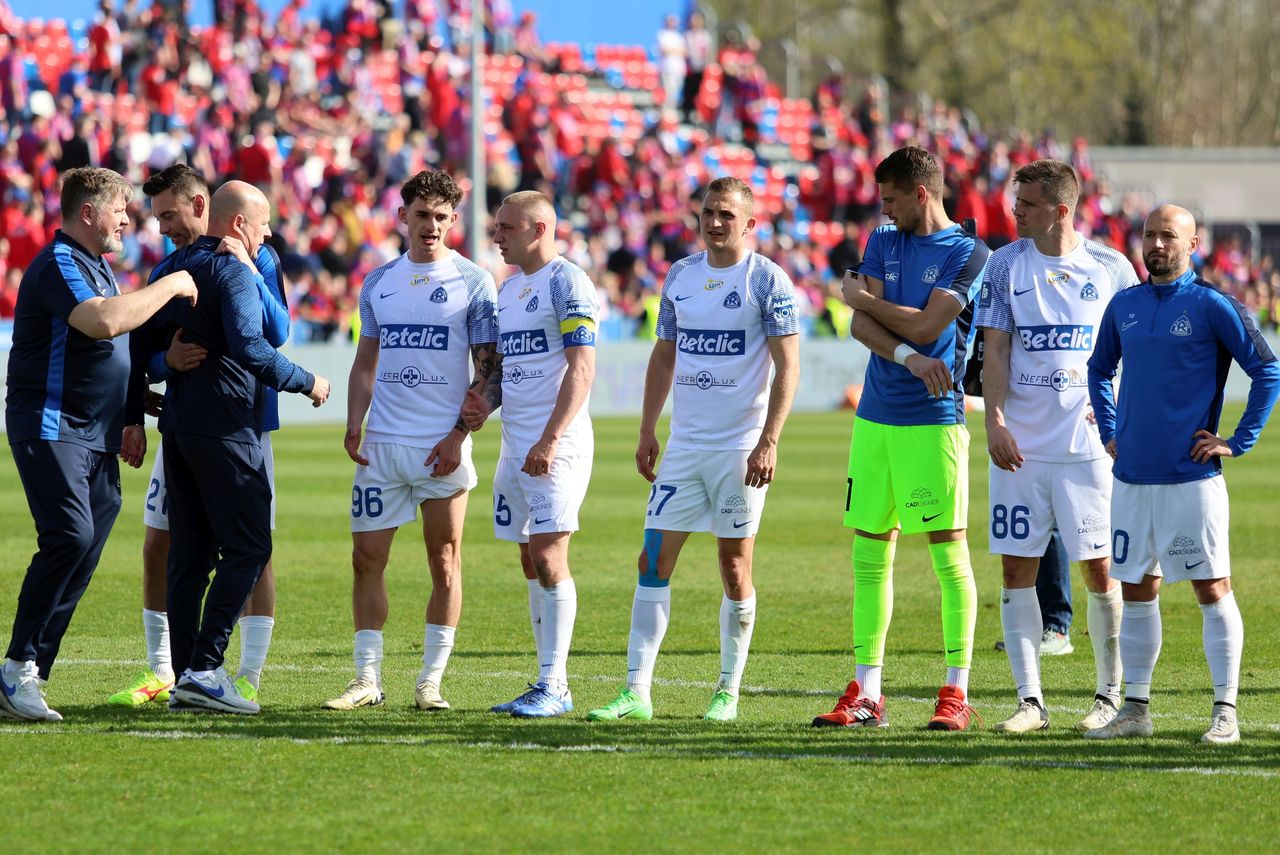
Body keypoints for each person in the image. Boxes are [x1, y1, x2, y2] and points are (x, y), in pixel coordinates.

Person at [586, 177, 800, 723]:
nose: (715, 222)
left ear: (750, 224)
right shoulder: (681, 276)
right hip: (684, 445)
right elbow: (664, 356)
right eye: (708, 212)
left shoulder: (767, 281)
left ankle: (727, 691)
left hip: (739, 447)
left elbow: (787, 365)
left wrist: (768, 440)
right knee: (653, 559)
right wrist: (646, 429)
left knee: (734, 567)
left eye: (727, 214)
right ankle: (636, 692)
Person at [0, 167, 196, 722]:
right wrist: (173, 285)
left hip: (96, 432)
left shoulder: (98, 268)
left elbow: (113, 351)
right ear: (88, 214)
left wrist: (133, 412)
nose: (128, 222)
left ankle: (30, 672)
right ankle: (16, 669)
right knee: (70, 534)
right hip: (51, 423)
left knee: (84, 547)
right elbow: (103, 323)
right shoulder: (60, 261)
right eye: (121, 211)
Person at [130, 181, 330, 715]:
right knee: (249, 548)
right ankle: (203, 669)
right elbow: (253, 345)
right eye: (262, 223)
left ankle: (186, 676)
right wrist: (307, 381)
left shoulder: (175, 269)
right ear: (239, 223)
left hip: (179, 428)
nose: (269, 233)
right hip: (227, 428)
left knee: (190, 553)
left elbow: (136, 343)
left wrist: (148, 383)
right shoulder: (235, 267)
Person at [1085, 205, 1279, 744]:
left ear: (1193, 244)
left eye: (1169, 236)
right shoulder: (1123, 305)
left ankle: (1225, 712)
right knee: (1136, 587)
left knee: (1211, 588)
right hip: (1130, 480)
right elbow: (1099, 369)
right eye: (1150, 235)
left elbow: (1268, 369)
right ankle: (1136, 710)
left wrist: (1236, 441)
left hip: (1191, 481)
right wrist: (1108, 432)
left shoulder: (1214, 304)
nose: (1156, 244)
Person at [812, 145, 990, 731]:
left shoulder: (969, 252)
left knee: (947, 554)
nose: (883, 211)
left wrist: (863, 298)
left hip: (933, 420)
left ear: (922, 193)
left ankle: (956, 692)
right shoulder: (884, 241)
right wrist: (910, 356)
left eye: (890, 199)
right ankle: (867, 690)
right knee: (869, 553)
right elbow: (866, 328)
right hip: (876, 420)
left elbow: (927, 321)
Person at [108, 163, 287, 708]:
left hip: (246, 425)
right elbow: (144, 351)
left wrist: (251, 269)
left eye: (170, 214)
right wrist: (167, 362)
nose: (162, 227)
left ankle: (244, 672)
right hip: (194, 427)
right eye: (157, 216)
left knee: (249, 547)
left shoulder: (262, 256)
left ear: (203, 206)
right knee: (168, 544)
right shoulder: (169, 268)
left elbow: (277, 333)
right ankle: (175, 672)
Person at [323, 170, 498, 712]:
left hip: (440, 448)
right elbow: (365, 361)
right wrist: (355, 420)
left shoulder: (473, 281)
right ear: (403, 217)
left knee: (444, 561)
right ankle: (366, 679)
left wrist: (458, 435)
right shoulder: (378, 282)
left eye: (442, 217)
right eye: (422, 215)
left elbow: (488, 372)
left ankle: (430, 680)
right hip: (382, 445)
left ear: (453, 221)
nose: (431, 226)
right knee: (364, 559)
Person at [975, 159, 1139, 733]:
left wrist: (1123, 411)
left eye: (1026, 204)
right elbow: (995, 348)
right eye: (1015, 202)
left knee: (1100, 570)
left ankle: (1109, 696)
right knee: (1016, 571)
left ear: (1061, 210)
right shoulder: (1003, 265)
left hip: (1090, 447)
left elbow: (1135, 348)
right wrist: (994, 419)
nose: (1014, 211)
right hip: (1021, 445)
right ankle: (1030, 702)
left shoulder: (1112, 268)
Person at [461, 190, 598, 719]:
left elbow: (582, 368)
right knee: (527, 557)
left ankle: (556, 686)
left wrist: (551, 438)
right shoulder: (512, 289)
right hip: (515, 443)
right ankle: (543, 680)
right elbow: (506, 372)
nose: (496, 237)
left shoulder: (568, 282)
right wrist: (483, 403)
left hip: (553, 445)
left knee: (547, 555)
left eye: (506, 228)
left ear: (539, 229)